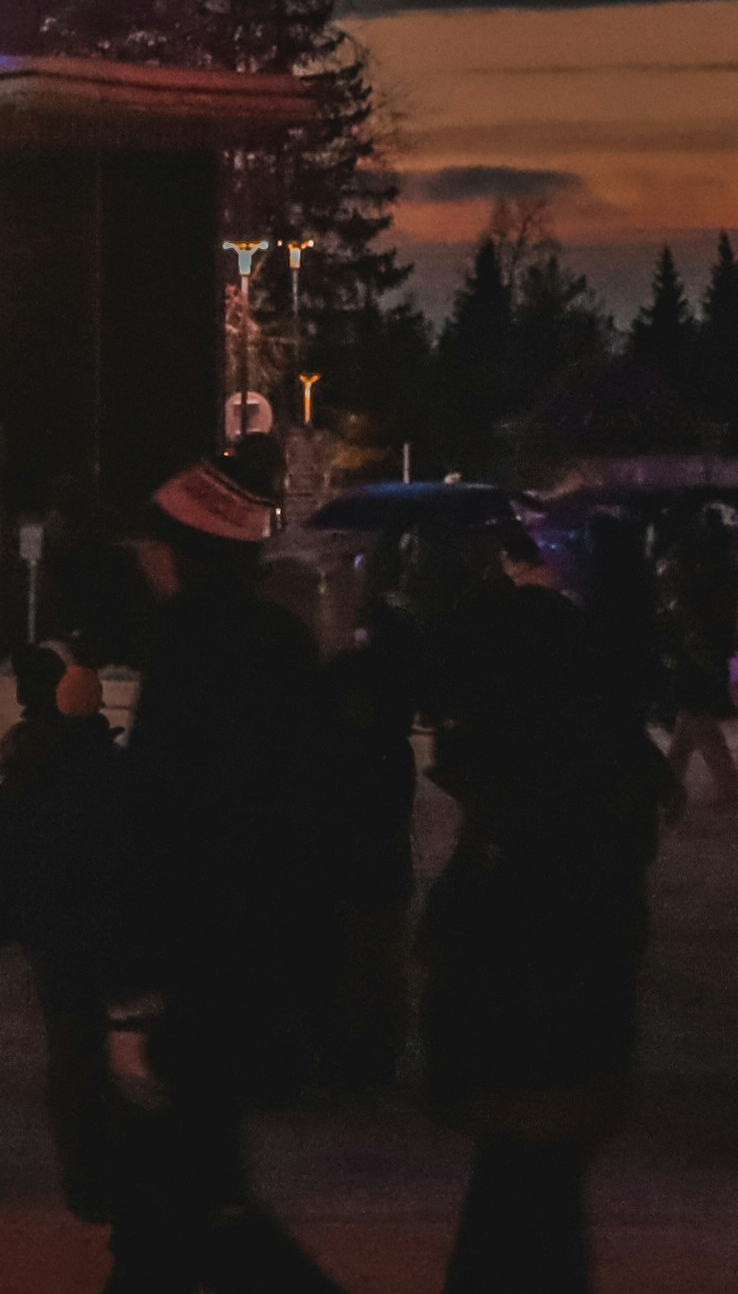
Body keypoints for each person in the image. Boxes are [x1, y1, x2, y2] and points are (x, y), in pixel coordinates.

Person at [105, 454, 350, 1294]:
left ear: (178, 553)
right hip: (258, 951)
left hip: (192, 960)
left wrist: (133, 994)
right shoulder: (279, 649)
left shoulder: (183, 651)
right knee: (194, 1189)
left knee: (180, 1202)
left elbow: (158, 824)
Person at [422, 519, 667, 1294]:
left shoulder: (518, 820)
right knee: (537, 1200)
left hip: (522, 1033)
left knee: (516, 1201)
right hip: (574, 1032)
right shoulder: (603, 784)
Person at [0, 639, 134, 1223]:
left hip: (53, 917)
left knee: (73, 1046)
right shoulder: (93, 764)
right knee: (94, 1048)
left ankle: (89, 1168)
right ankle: (104, 1170)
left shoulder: (29, 758)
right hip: (93, 914)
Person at [315, 596, 426, 1093]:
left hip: (355, 860)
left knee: (361, 955)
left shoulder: (353, 743)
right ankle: (373, 1048)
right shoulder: (388, 747)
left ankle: (360, 1048)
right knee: (376, 956)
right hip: (376, 861)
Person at [660, 503, 738, 813]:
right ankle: (667, 786)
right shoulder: (722, 560)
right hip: (707, 643)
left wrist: (691, 635)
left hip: (695, 644)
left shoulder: (700, 560)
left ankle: (729, 789)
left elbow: (681, 601)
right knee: (689, 720)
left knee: (697, 718)